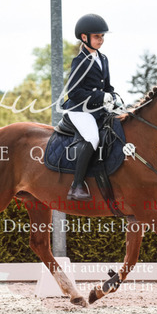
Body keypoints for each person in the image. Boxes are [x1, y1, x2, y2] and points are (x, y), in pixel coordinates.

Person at [62, 14, 116, 201]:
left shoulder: (103, 59)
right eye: (97, 36)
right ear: (84, 37)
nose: (101, 40)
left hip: (97, 109)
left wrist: (113, 97)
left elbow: (107, 86)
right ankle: (76, 186)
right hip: (79, 110)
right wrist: (101, 97)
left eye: (102, 36)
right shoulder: (80, 61)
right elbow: (73, 92)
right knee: (93, 138)